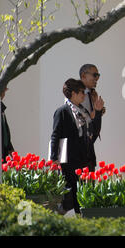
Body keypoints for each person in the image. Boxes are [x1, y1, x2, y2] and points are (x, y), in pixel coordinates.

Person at [50, 78, 104, 214]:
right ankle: (59, 217)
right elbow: (55, 135)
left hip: (86, 158)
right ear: (73, 93)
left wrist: (97, 113)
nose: (84, 95)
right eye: (81, 92)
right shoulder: (62, 111)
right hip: (71, 160)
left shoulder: (83, 111)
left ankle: (81, 221)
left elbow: (94, 132)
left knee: (85, 195)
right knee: (72, 195)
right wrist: (53, 158)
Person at [79, 64, 106, 171]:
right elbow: (80, 118)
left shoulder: (92, 94)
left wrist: (98, 111)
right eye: (94, 75)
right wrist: (96, 111)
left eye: (98, 75)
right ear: (83, 76)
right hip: (80, 146)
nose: (97, 79)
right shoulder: (77, 94)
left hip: (89, 143)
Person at [1, 87, 15, 161]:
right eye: (3, 91)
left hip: (4, 152)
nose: (4, 94)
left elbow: (6, 133)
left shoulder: (1, 109)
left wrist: (11, 150)